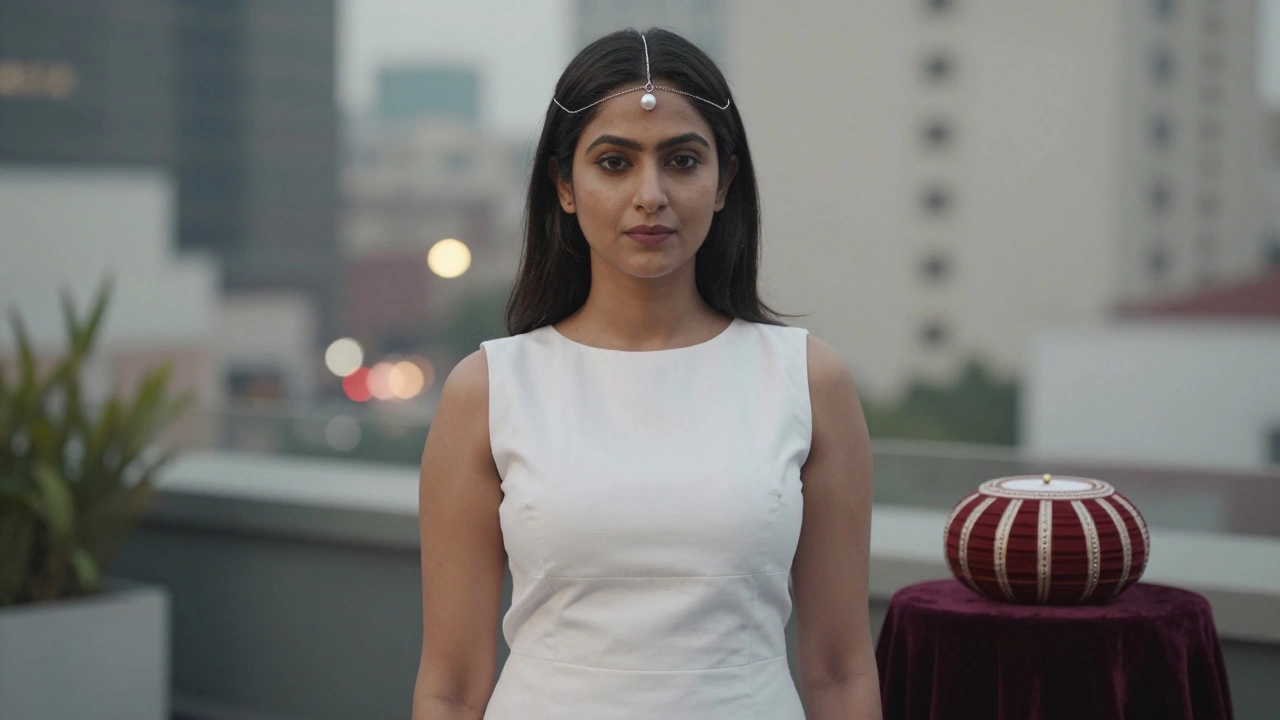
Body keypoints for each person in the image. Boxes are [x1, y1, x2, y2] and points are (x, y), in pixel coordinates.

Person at [412, 27, 880, 720]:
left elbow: (841, 672)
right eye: (614, 163)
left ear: (724, 182)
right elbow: (451, 687)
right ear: (564, 185)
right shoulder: (488, 390)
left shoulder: (808, 382)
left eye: (682, 161)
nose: (650, 194)